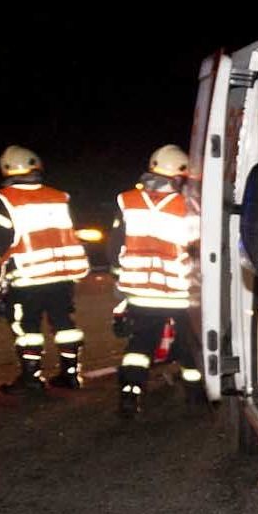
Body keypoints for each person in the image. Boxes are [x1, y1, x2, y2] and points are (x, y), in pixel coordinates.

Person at [0, 146, 89, 393]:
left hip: (28, 276)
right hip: (62, 274)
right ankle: (70, 373)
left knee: (27, 327)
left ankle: (31, 378)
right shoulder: (58, 196)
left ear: (5, 169)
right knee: (63, 322)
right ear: (37, 166)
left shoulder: (5, 199)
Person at [112, 144, 202, 416]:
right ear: (180, 177)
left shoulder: (126, 200)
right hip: (178, 292)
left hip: (139, 292)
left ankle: (130, 393)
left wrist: (119, 281)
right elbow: (197, 247)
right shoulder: (187, 206)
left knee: (140, 344)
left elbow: (114, 246)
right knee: (188, 343)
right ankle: (196, 396)